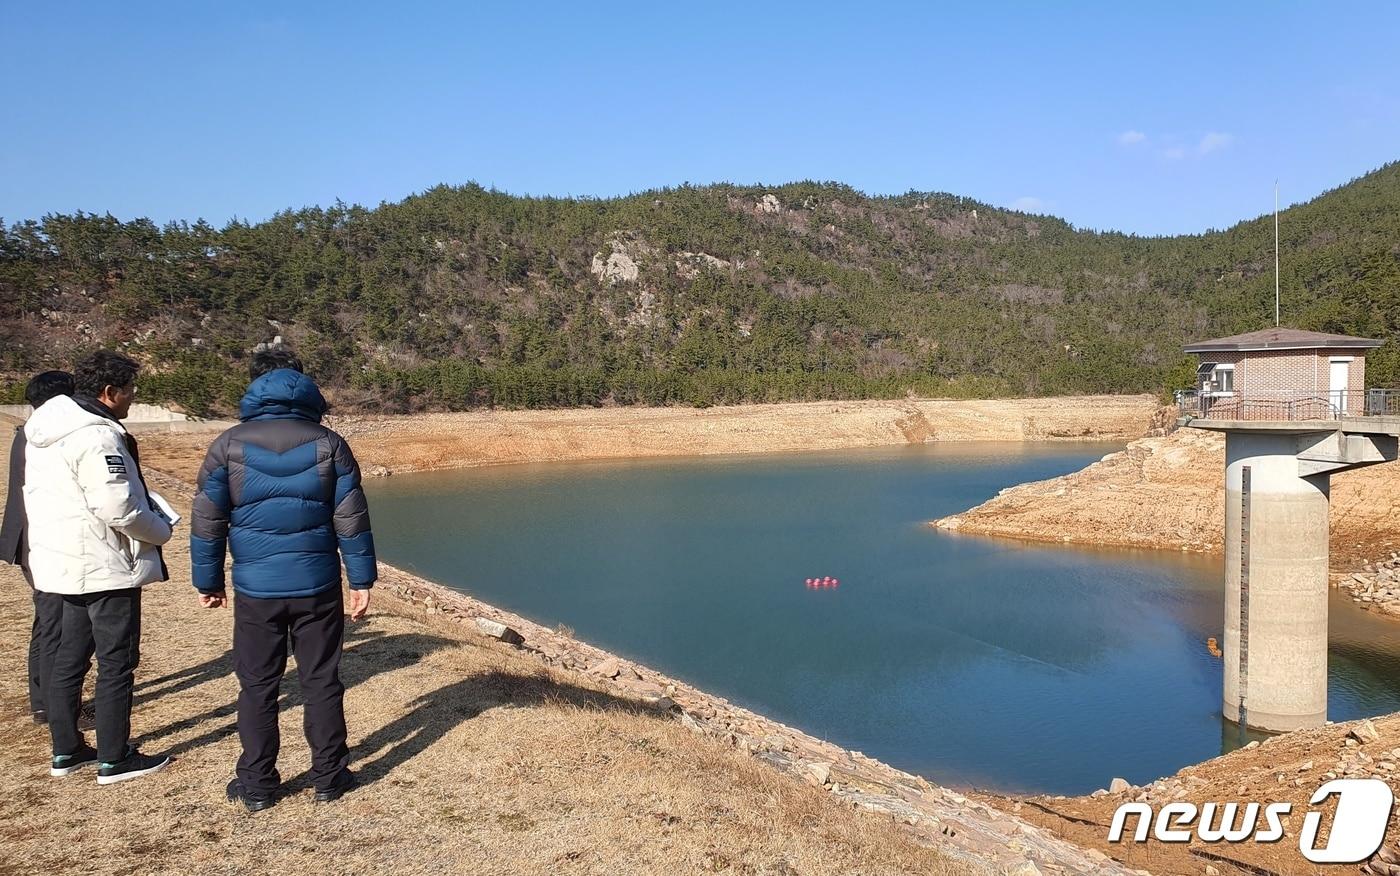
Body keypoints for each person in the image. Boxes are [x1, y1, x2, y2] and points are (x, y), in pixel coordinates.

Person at [191, 348, 376, 811]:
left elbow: (208, 521)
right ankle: (330, 777)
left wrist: (208, 581)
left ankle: (257, 786)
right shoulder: (329, 444)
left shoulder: (227, 445)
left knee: (257, 685)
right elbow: (350, 518)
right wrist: (361, 579)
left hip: (257, 590)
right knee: (321, 681)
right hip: (317, 586)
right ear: (306, 387)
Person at [24, 351, 174, 783]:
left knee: (68, 658)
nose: (131, 400)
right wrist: (160, 531)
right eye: (129, 391)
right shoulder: (96, 436)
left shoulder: (45, 433)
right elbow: (118, 506)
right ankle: (114, 757)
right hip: (104, 565)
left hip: (62, 562)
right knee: (117, 662)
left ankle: (66, 749)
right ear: (110, 393)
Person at [0, 371, 75, 724]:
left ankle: (44, 699)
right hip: (44, 541)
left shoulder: (27, 434)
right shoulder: (45, 437)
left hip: (28, 539)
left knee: (47, 621)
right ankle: (51, 705)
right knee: (54, 623)